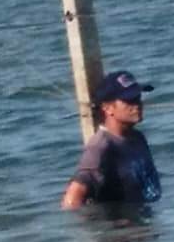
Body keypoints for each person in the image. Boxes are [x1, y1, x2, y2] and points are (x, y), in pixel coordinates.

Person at [61, 70, 162, 209]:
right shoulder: (101, 147)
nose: (137, 105)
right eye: (129, 100)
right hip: (120, 227)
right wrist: (94, 227)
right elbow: (73, 197)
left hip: (143, 221)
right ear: (108, 108)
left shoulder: (137, 138)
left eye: (138, 98)